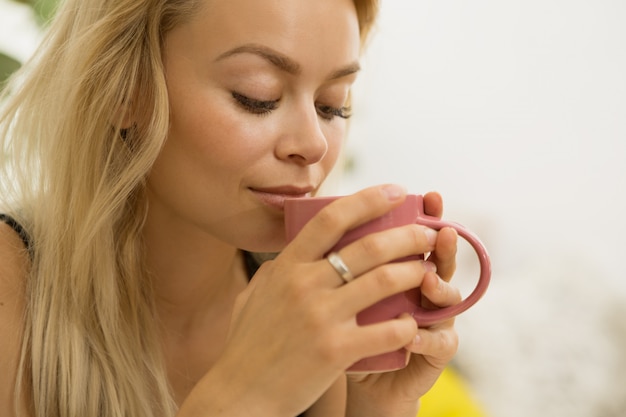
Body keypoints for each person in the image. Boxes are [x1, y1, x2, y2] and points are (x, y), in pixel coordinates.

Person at [0, 0, 464, 415]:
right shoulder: (12, 292)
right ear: (126, 90)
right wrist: (243, 397)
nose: (313, 144)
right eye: (257, 96)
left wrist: (377, 406)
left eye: (332, 106)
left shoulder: (312, 310)